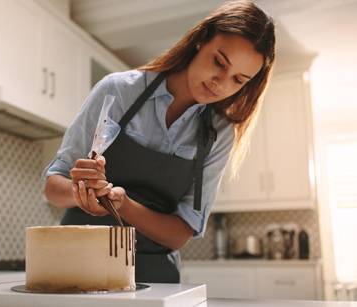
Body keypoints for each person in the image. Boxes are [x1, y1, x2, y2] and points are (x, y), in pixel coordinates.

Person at [43, 0, 275, 283]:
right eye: (219, 62)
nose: (220, 82)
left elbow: (179, 234)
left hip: (153, 278)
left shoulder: (219, 133)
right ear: (201, 40)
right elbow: (53, 187)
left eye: (238, 80)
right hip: (74, 263)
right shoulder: (118, 91)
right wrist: (81, 193)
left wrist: (123, 204)